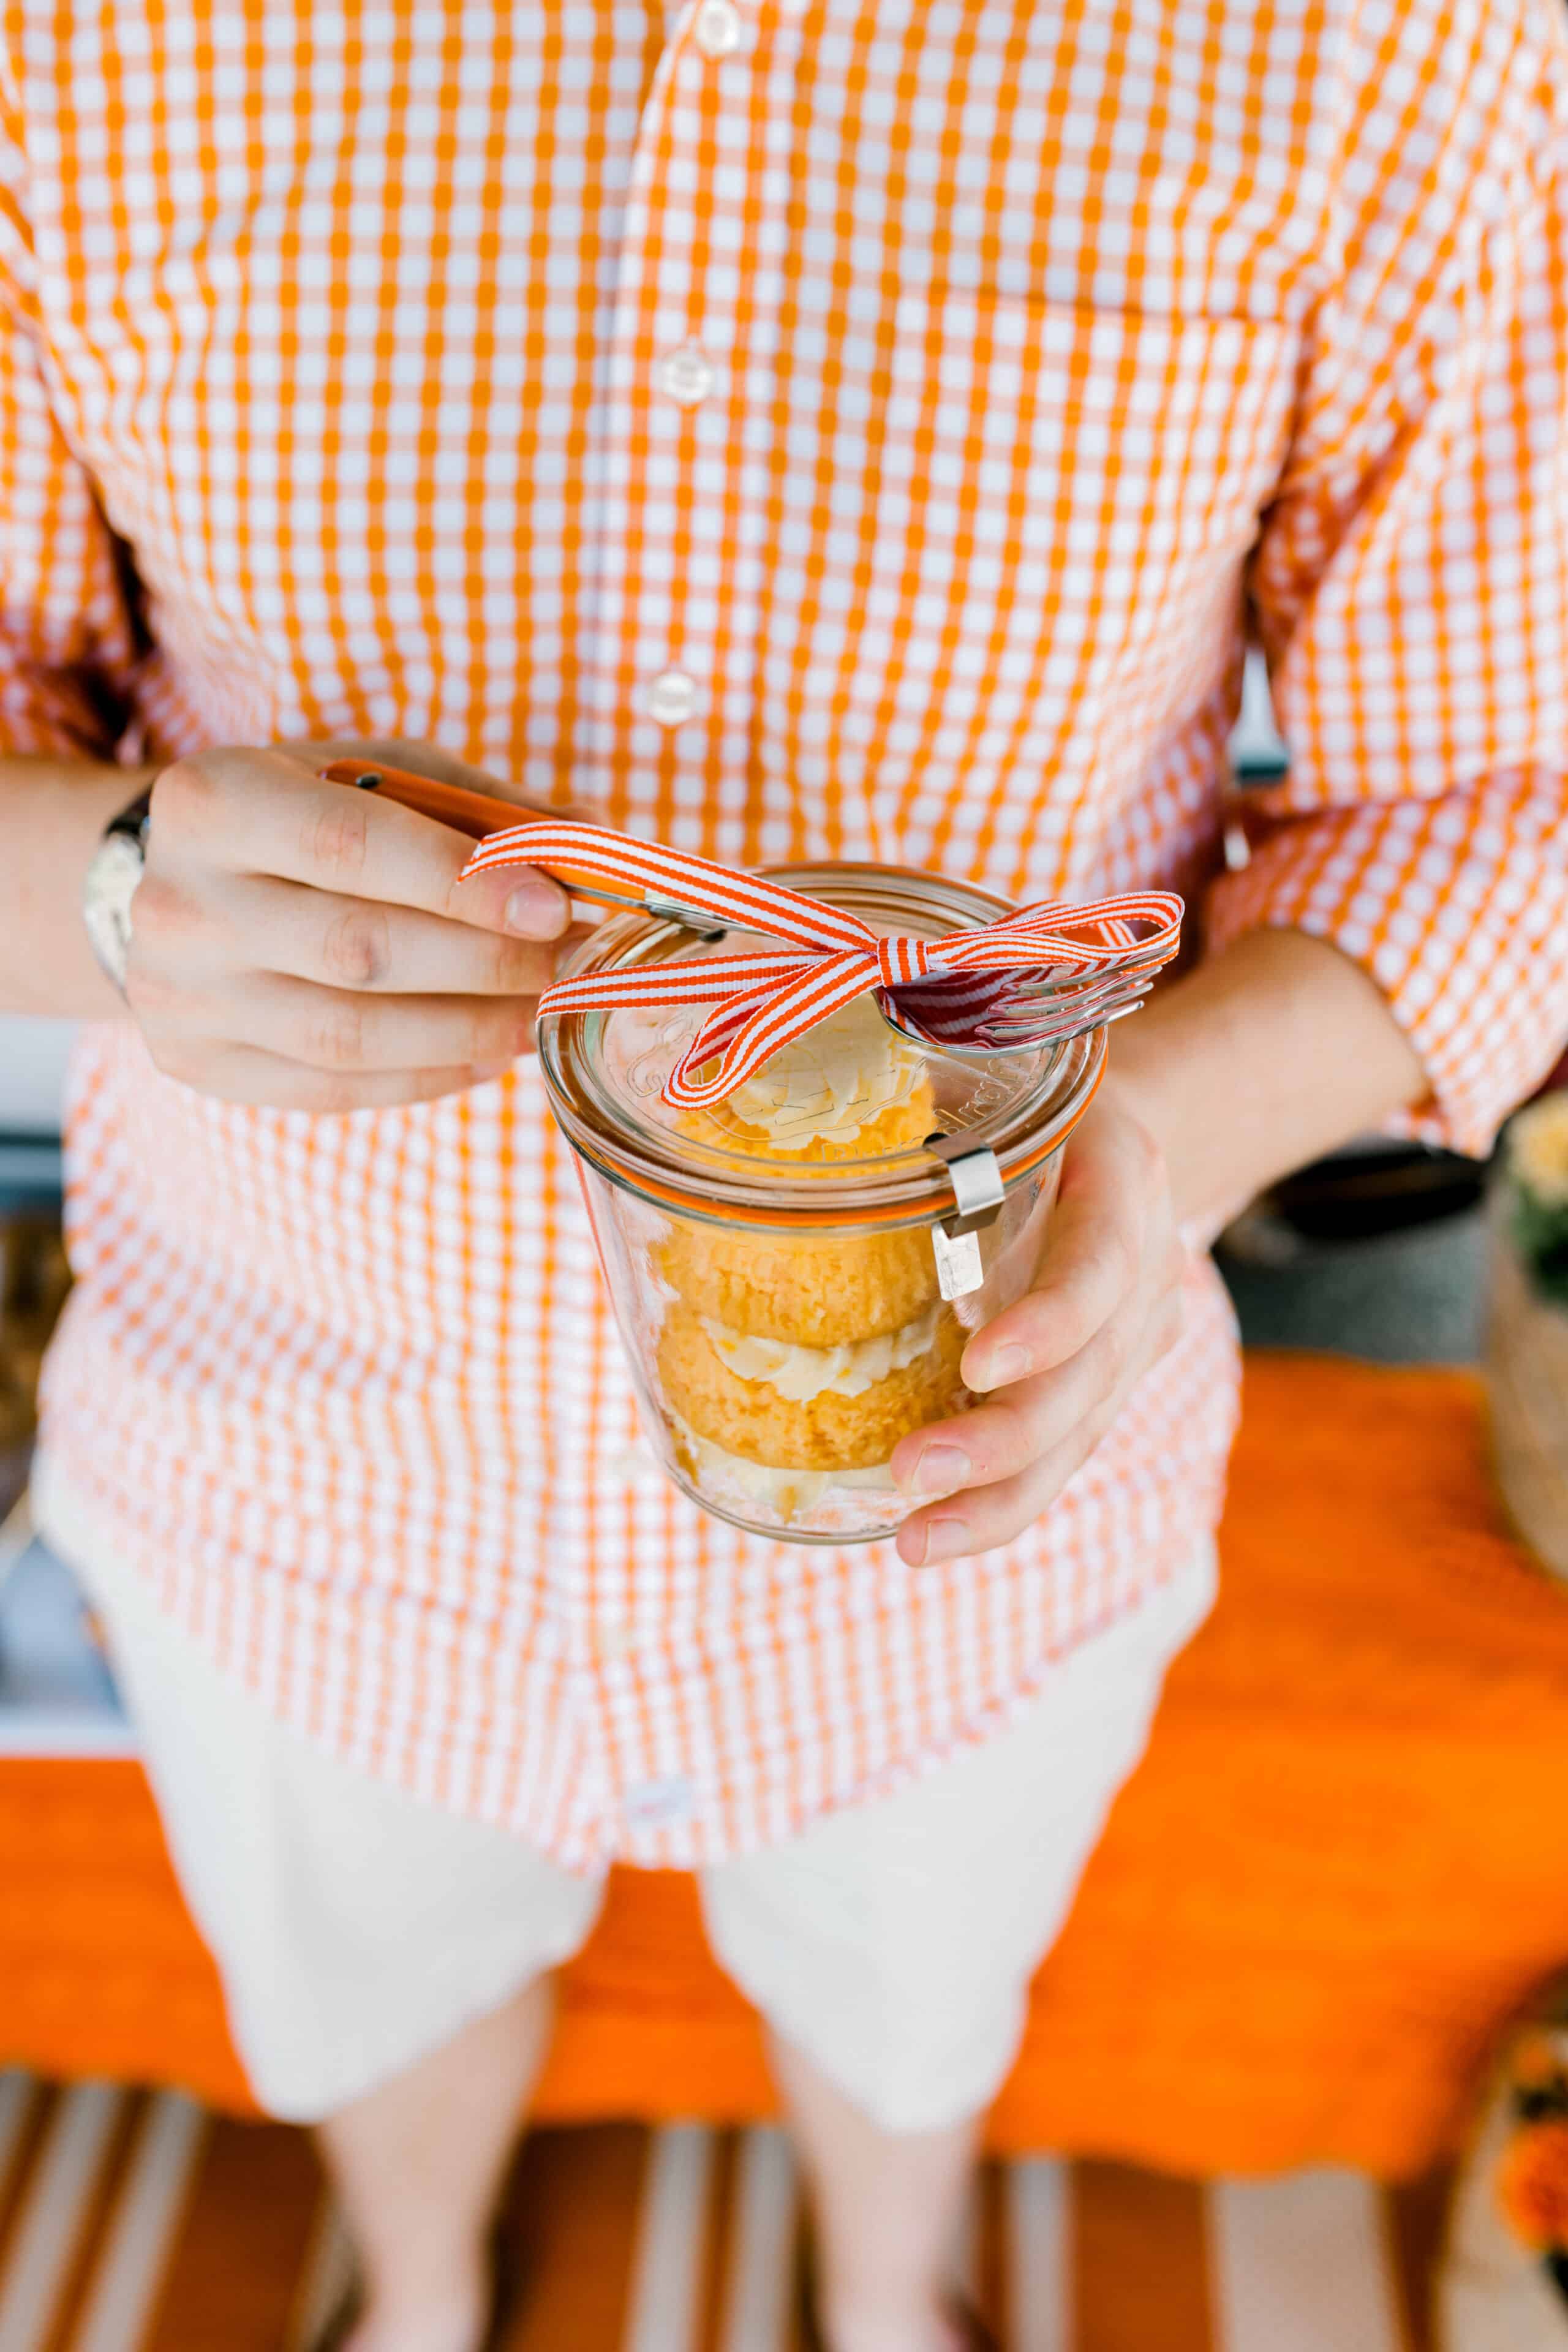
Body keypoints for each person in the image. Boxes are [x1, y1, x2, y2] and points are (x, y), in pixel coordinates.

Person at [3, 2, 1566, 2346]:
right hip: (292, 1455)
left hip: (985, 1491)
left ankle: (889, 2290)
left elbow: (1492, 804)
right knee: (369, 1994)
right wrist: (121, 886)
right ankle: (418, 2289)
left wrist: (1152, 1133)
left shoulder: (1392, 45)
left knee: (912, 2012)